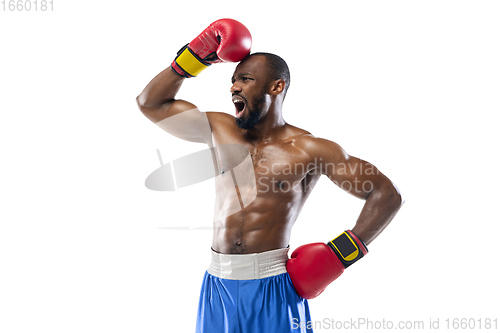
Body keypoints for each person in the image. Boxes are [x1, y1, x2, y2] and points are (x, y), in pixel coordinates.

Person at [136, 19, 403, 333]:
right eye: (233, 81)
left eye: (246, 79)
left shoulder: (310, 149)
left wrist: (339, 256)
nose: (234, 87)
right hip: (217, 285)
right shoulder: (218, 128)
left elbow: (386, 194)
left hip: (272, 285)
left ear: (276, 87)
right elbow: (150, 103)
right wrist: (194, 57)